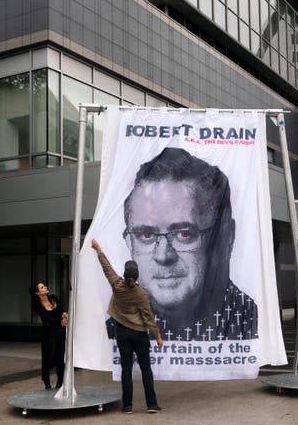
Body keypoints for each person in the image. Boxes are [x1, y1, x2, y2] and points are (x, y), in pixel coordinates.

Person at [117, 147, 258, 342]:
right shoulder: (116, 327)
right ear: (130, 242)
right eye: (146, 234)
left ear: (227, 238)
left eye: (184, 233)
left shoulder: (250, 322)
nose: (162, 256)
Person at [91, 238, 164, 414]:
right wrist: (158, 336)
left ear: (124, 274)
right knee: (146, 370)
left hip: (122, 333)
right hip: (139, 335)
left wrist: (98, 249)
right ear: (137, 275)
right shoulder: (141, 293)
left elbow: (107, 268)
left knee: (126, 371)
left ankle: (127, 406)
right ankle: (151, 404)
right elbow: (148, 318)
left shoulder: (117, 285)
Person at [30, 282, 68, 389]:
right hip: (48, 334)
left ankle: (60, 382)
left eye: (44, 286)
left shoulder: (54, 298)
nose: (45, 287)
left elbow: (60, 311)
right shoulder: (37, 305)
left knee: (60, 357)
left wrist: (64, 315)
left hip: (60, 332)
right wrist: (60, 322)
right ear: (38, 293)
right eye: (42, 287)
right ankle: (47, 382)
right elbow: (46, 318)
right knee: (48, 358)